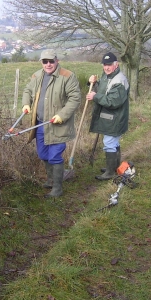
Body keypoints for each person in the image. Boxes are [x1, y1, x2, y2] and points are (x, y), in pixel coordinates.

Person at [21, 49, 81, 197]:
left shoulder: (67, 76)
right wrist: (26, 104)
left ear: (57, 61)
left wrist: (62, 115)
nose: (48, 64)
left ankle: (57, 188)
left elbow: (75, 99)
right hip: (40, 124)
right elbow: (27, 90)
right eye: (45, 61)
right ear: (41, 62)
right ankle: (50, 179)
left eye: (51, 61)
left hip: (58, 125)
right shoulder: (37, 75)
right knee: (42, 154)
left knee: (54, 156)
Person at [86, 52, 129, 180]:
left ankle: (110, 173)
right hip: (109, 118)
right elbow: (103, 89)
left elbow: (113, 101)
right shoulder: (107, 76)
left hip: (115, 118)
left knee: (109, 142)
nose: (106, 67)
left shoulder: (119, 80)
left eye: (109, 64)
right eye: (105, 64)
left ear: (116, 65)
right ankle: (114, 167)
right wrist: (92, 84)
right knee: (113, 142)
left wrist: (95, 96)